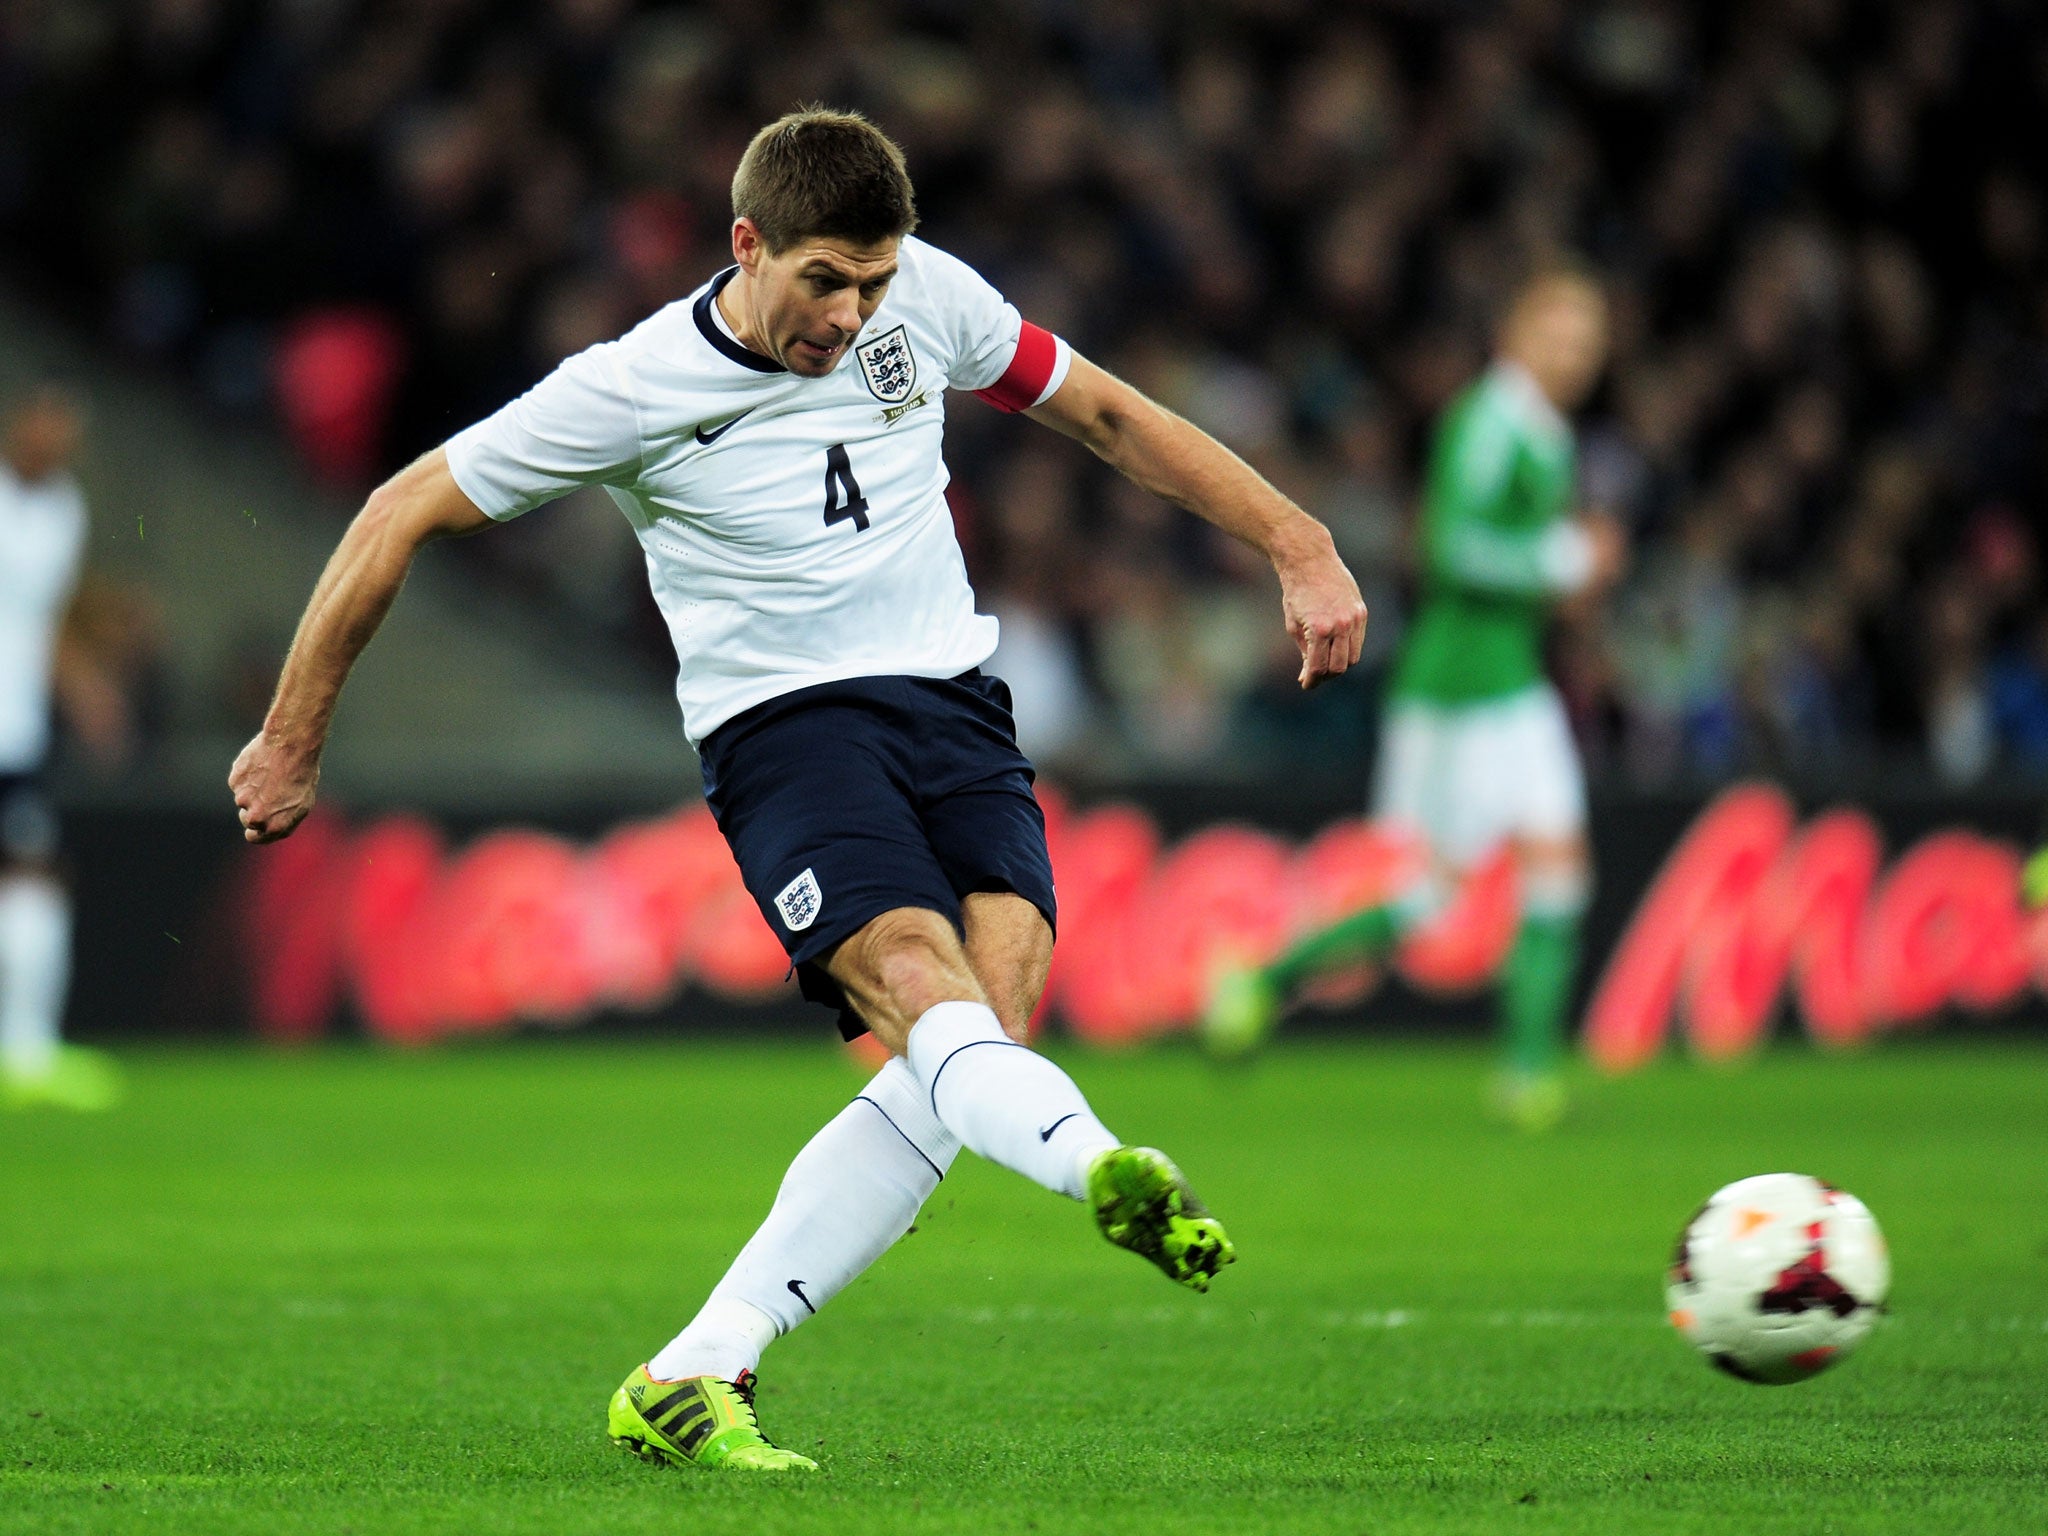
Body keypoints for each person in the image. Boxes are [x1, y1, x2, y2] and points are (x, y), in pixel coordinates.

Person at [229, 109, 1368, 1473]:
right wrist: (294, 736)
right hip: (786, 732)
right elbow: (395, 510)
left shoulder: (929, 298)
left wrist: (1297, 539)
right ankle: (1105, 1166)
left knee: (980, 1039)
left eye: (874, 285)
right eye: (825, 281)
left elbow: (1111, 418)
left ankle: (695, 1371)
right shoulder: (630, 385)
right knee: (919, 984)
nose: (851, 315)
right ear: (747, 245)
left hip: (956, 708)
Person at [1202, 270, 1622, 1132]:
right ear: (1516, 331)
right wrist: (1563, 562)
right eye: (1560, 334)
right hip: (1455, 693)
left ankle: (1527, 1073)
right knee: (1432, 897)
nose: (1573, 356)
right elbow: (1448, 544)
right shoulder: (1491, 418)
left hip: (1513, 689)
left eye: (1588, 343)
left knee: (1557, 871)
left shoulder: (1543, 431)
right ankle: (1259, 981)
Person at [0, 384, 123, 1112]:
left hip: (16, 730)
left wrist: (86, 693)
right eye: (49, 427)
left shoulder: (62, 510)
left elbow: (42, 624)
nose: (58, 444)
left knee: (35, 874)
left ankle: (28, 1050)